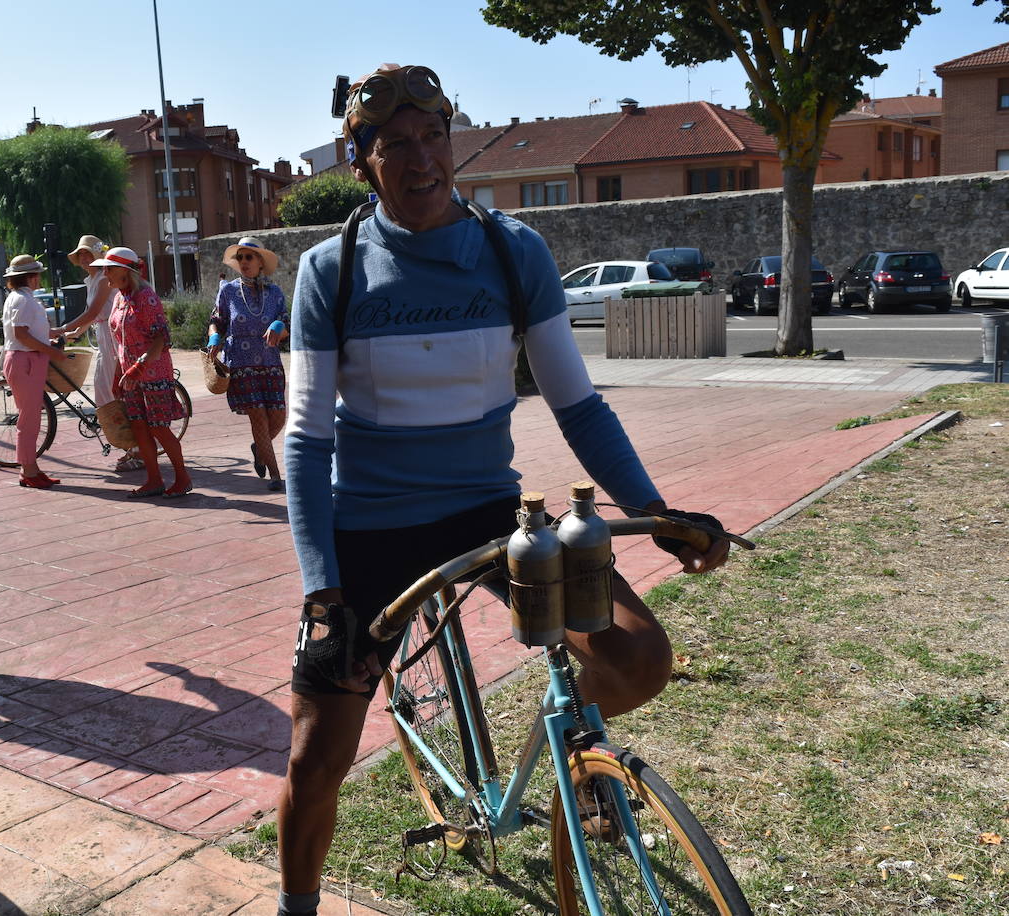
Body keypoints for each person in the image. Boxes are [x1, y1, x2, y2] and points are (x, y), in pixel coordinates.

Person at [275, 63, 731, 916]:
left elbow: (579, 408)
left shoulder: (511, 251)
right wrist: (322, 591)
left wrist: (656, 512)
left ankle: (567, 760)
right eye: (396, 144)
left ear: (453, 139)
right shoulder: (329, 272)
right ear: (361, 159)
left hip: (489, 511)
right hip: (369, 532)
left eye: (435, 135)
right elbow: (305, 445)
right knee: (315, 756)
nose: (422, 159)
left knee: (640, 655)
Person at [92, 246, 192, 498]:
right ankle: (154, 479)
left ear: (125, 271)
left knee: (158, 427)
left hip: (153, 373)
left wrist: (138, 367)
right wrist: (119, 373)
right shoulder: (119, 297)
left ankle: (182, 478)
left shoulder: (146, 297)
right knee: (139, 427)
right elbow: (120, 340)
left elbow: (161, 338)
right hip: (131, 375)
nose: (105, 274)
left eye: (109, 269)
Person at [54, 234, 141, 473]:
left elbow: (93, 313)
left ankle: (136, 446)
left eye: (87, 253)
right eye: (80, 254)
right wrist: (71, 334)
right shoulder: (92, 279)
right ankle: (129, 444)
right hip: (104, 334)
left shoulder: (104, 278)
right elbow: (91, 316)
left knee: (112, 390)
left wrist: (62, 329)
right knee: (105, 389)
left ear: (97, 255)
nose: (83, 258)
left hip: (113, 336)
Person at [208, 237, 289, 491]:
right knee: (259, 420)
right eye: (240, 257)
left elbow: (286, 322)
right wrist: (213, 336)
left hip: (270, 362)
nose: (243, 262)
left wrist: (279, 326)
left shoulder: (274, 293)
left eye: (248, 257)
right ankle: (275, 475)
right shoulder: (228, 290)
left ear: (260, 262)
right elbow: (217, 320)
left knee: (278, 417)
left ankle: (259, 447)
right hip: (241, 364)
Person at [0, 254, 66, 488]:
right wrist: (52, 352)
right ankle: (28, 469)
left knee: (31, 417)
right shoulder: (24, 300)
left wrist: (54, 333)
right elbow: (22, 335)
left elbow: (25, 331)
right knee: (29, 419)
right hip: (25, 360)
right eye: (37, 275)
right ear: (30, 277)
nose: (39, 279)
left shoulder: (18, 298)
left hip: (25, 359)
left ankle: (31, 468)